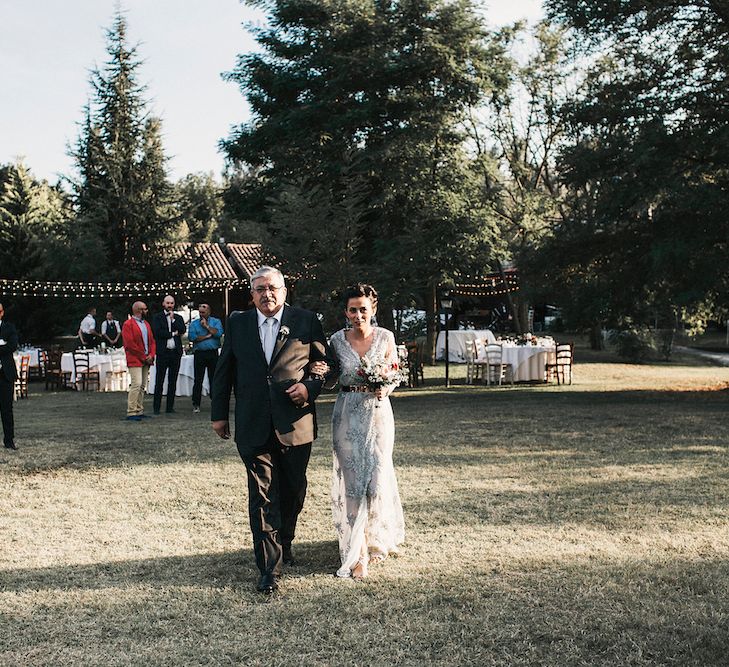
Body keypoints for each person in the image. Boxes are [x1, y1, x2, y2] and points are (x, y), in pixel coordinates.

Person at [211, 266, 332, 594]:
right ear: (251, 294)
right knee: (262, 495)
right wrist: (219, 414)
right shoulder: (238, 323)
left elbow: (324, 365)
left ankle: (286, 541)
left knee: (292, 490)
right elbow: (224, 370)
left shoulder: (306, 320)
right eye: (260, 289)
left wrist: (309, 386)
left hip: (295, 423)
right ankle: (269, 569)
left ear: (284, 290)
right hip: (252, 422)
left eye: (273, 288)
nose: (267, 294)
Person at [327, 284, 405, 580]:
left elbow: (395, 370)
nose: (358, 315)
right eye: (352, 310)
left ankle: (375, 537)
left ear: (373, 309)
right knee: (352, 485)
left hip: (378, 414)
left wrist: (386, 384)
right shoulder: (336, 340)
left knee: (375, 481)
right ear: (345, 312)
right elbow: (330, 377)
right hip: (346, 413)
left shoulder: (385, 337)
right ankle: (356, 554)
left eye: (363, 309)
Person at [121, 301, 156, 422]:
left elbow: (152, 341)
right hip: (135, 358)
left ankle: (139, 409)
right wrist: (143, 356)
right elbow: (130, 344)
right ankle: (131, 411)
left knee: (142, 385)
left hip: (146, 358)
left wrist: (151, 354)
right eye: (144, 309)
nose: (146, 311)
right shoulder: (128, 324)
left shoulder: (146, 324)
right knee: (136, 384)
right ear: (138, 310)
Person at [151, 295, 186, 415]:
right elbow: (157, 332)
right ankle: (156, 407)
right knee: (159, 380)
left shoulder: (178, 317)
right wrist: (172, 333)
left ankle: (170, 407)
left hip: (175, 353)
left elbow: (182, 330)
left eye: (171, 303)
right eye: (167, 303)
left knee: (173, 380)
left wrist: (173, 321)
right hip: (163, 353)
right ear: (163, 304)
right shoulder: (157, 317)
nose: (170, 305)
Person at [188, 302, 223, 413]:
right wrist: (208, 335)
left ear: (209, 311)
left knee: (214, 379)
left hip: (212, 353)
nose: (201, 313)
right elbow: (192, 337)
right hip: (200, 353)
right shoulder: (194, 324)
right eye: (200, 312)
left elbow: (218, 334)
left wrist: (207, 327)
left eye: (204, 311)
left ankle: (216, 402)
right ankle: (196, 403)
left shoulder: (216, 322)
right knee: (198, 379)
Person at [0, 302, 18, 450]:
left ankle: (9, 440)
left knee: (7, 409)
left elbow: (12, 346)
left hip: (5, 374)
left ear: (2, 313)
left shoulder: (9, 327)